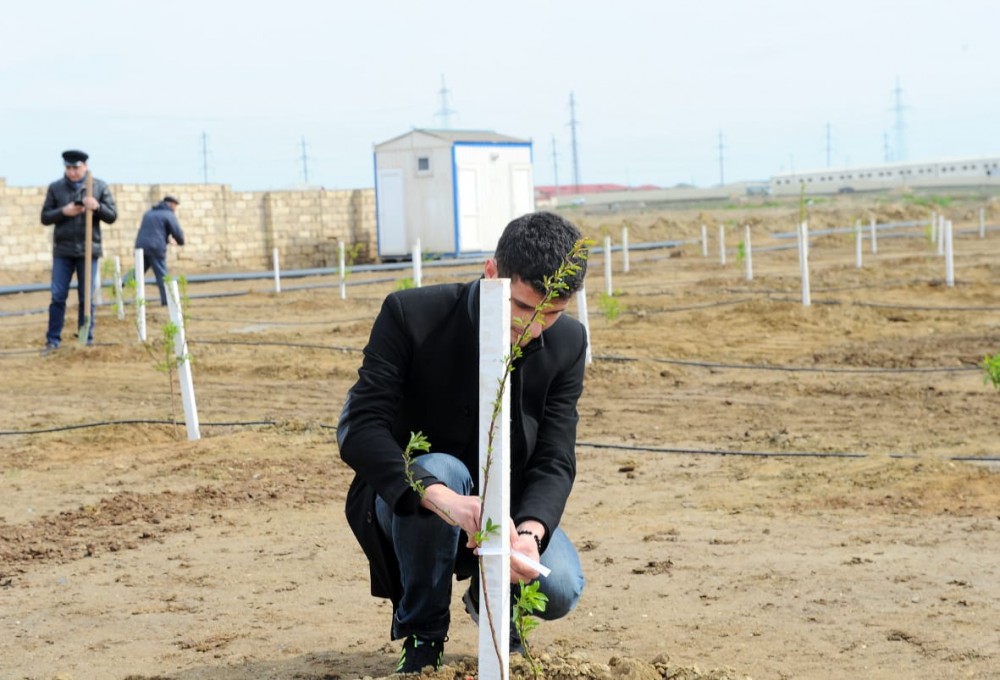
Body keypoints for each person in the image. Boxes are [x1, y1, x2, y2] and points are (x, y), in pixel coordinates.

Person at [338, 211, 589, 675]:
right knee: (443, 468)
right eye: (521, 307)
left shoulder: (568, 343)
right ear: (491, 272)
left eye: (551, 314)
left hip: (505, 509)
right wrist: (443, 499)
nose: (533, 329)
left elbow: (556, 455)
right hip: (411, 501)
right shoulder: (411, 315)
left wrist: (531, 534)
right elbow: (359, 427)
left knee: (563, 588)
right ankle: (423, 635)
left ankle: (489, 596)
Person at [40, 149, 117, 352]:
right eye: (68, 167)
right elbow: (45, 217)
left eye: (76, 167)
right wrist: (63, 212)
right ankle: (53, 340)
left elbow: (112, 216)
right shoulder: (56, 188)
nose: (72, 171)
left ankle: (86, 338)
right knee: (57, 296)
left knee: (87, 296)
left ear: (85, 166)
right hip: (63, 251)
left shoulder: (98, 187)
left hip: (88, 250)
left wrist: (97, 207)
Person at [133, 195, 186, 306]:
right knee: (162, 274)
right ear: (171, 204)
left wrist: (166, 240)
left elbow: (153, 231)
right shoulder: (168, 214)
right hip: (156, 248)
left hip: (141, 246)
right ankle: (167, 300)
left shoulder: (148, 213)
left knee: (138, 271)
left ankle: (120, 286)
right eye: (175, 206)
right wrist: (180, 241)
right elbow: (176, 231)